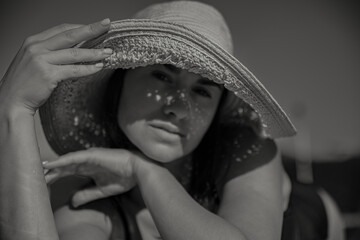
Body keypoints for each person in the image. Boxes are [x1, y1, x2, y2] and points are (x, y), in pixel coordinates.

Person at [0, 1, 298, 240]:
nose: (179, 108)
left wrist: (145, 172)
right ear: (119, 84)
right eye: (161, 75)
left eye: (203, 90)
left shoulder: (247, 150)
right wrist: (14, 111)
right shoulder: (88, 207)